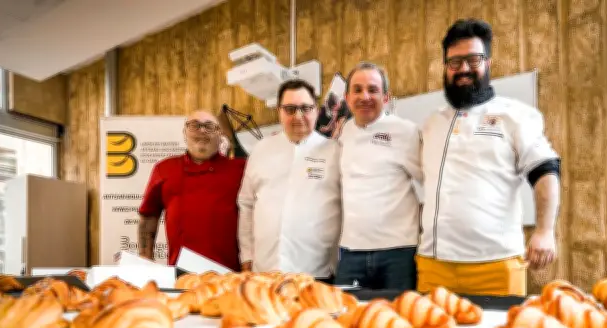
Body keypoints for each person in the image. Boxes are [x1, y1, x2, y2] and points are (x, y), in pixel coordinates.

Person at [417, 19, 561, 296]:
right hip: (434, 266)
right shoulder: (431, 124)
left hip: (496, 266)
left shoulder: (515, 115)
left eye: (473, 59)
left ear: (488, 63)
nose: (463, 69)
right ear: (445, 67)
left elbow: (545, 170)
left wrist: (545, 231)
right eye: (454, 62)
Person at [237, 79, 342, 281]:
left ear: (316, 110)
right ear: (279, 111)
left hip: (316, 273)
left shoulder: (334, 152)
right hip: (265, 271)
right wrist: (247, 256)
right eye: (290, 109)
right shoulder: (261, 150)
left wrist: (336, 263)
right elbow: (246, 204)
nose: (298, 116)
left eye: (305, 108)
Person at [334, 62, 423, 290]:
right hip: (351, 252)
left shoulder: (406, 131)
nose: (365, 96)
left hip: (398, 253)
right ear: (347, 98)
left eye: (373, 90)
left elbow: (429, 181)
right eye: (357, 90)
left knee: (399, 313)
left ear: (386, 97)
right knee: (345, 311)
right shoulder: (344, 133)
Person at [137, 110, 246, 270]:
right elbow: (148, 217)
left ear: (219, 134)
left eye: (209, 126)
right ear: (185, 132)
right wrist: (145, 261)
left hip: (230, 273)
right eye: (195, 125)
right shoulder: (164, 169)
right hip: (182, 273)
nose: (202, 130)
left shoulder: (241, 169)